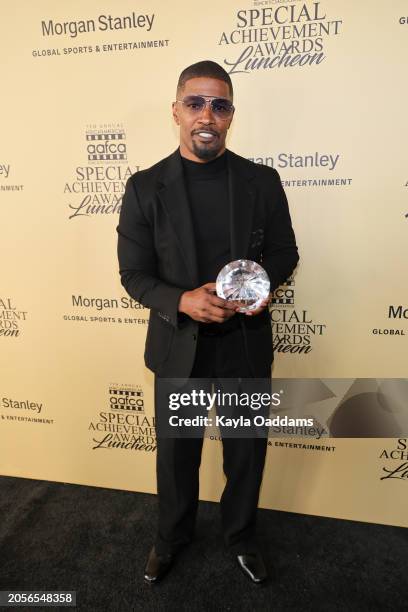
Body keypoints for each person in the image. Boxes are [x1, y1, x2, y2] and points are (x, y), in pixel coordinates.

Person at [116, 60, 299, 585]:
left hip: (243, 343)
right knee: (176, 458)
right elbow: (134, 275)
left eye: (219, 106)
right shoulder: (145, 187)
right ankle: (170, 539)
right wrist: (181, 302)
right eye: (195, 103)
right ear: (176, 111)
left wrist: (260, 287)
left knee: (246, 455)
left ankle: (241, 537)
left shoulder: (261, 182)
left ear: (230, 116)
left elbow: (286, 252)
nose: (206, 115)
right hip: (180, 345)